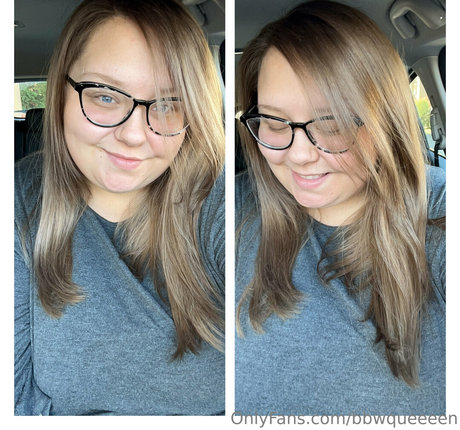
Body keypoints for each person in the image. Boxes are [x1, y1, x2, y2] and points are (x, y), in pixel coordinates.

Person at [14, 0, 225, 415]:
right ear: (60, 92)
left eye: (167, 104)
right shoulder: (20, 196)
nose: (133, 135)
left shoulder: (221, 204)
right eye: (106, 96)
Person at [235, 0, 445, 415]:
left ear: (384, 118)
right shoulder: (235, 207)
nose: (298, 155)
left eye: (331, 124)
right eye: (274, 123)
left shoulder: (438, 215)